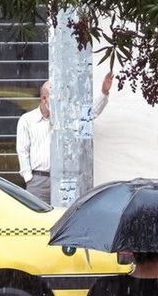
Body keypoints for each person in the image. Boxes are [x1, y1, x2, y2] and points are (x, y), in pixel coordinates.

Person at [16, 71, 114, 203]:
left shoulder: (66, 117)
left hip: (63, 179)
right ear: (44, 99)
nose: (60, 101)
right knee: (38, 220)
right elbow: (22, 150)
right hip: (38, 180)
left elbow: (91, 113)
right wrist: (29, 177)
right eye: (55, 98)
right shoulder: (27, 120)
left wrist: (104, 92)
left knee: (63, 218)